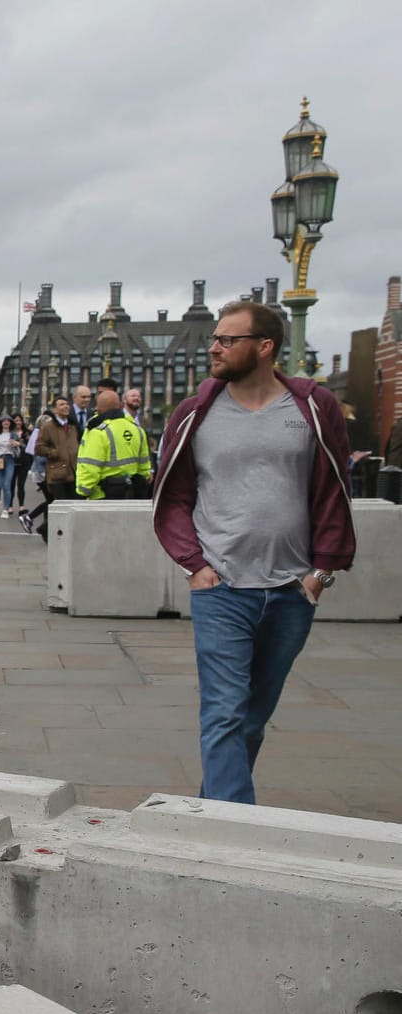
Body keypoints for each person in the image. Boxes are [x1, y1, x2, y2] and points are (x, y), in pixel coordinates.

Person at [153, 300, 357, 804]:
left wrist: (320, 574)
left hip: (291, 590)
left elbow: (335, 489)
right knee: (223, 712)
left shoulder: (314, 407)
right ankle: (233, 833)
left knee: (251, 718)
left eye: (228, 339)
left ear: (264, 347)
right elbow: (172, 495)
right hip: (222, 588)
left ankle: (211, 810)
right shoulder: (195, 413)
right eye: (215, 339)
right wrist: (195, 566)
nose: (214, 347)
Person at [77, 387, 152, 500]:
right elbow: (144, 467)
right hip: (130, 495)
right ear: (120, 406)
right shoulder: (137, 430)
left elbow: (91, 467)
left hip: (102, 496)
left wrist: (82, 491)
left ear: (98, 408)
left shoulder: (98, 432)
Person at [26, 397, 79, 541]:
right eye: (62, 404)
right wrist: (54, 453)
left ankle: (45, 529)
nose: (66, 406)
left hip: (72, 472)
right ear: (55, 409)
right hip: (57, 473)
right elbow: (38, 448)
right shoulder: (48, 427)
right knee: (60, 506)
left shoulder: (72, 427)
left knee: (71, 506)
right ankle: (48, 531)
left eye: (67, 404)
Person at [0, 418, 18, 517]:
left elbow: (22, 445)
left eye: (8, 421)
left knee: (7, 485)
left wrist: (17, 444)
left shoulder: (14, 434)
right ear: (0, 423)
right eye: (4, 421)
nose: (6, 422)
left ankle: (5, 509)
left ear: (10, 423)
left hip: (9, 459)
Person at [10, 415, 33, 516]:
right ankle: (9, 506)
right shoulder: (9, 433)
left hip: (24, 462)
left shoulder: (27, 433)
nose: (18, 422)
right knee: (11, 485)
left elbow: (30, 447)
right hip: (12, 461)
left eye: (19, 420)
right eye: (16, 420)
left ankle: (21, 506)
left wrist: (20, 444)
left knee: (21, 484)